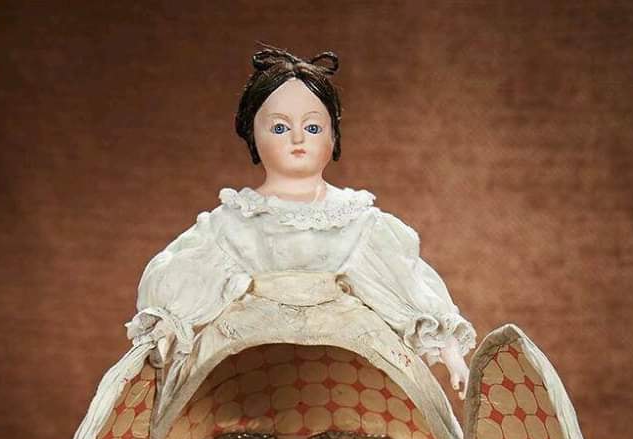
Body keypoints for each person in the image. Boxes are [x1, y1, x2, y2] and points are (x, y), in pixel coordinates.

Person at [128, 46, 476, 398]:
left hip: (349, 360)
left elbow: (408, 285)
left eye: (312, 127)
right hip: (247, 362)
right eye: (280, 127)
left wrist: (451, 354)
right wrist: (162, 333)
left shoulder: (358, 222)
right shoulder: (232, 222)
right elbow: (185, 281)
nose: (298, 139)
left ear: (333, 136)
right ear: (253, 134)